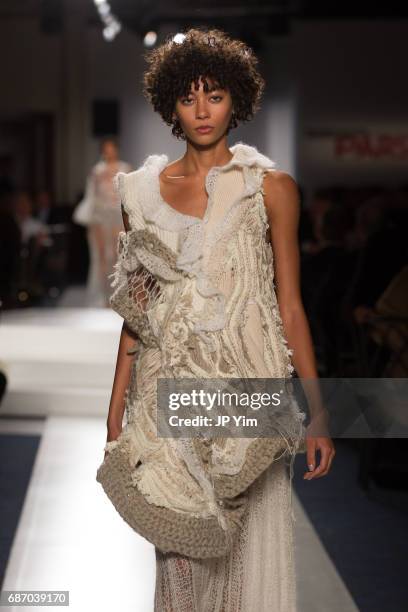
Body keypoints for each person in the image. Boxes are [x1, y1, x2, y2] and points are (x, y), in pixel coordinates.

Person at [96, 28, 335, 611]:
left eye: (217, 94)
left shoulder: (271, 190)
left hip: (248, 392)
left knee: (246, 557)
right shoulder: (139, 194)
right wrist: (114, 408)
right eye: (189, 97)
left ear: (239, 100)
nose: (203, 110)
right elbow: (138, 310)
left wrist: (319, 410)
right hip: (164, 394)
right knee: (178, 557)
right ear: (171, 104)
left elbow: (291, 304)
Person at [73, 138, 131, 307]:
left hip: (117, 216)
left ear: (117, 150)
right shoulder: (97, 171)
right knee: (101, 258)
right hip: (100, 218)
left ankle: (119, 296)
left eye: (112, 148)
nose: (109, 151)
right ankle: (105, 298)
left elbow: (127, 194)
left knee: (118, 255)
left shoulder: (125, 168)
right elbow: (92, 195)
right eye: (106, 148)